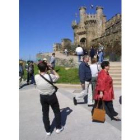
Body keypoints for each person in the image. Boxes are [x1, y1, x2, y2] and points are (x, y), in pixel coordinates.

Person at [35, 61, 63, 136]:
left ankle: (48, 130)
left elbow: (39, 71)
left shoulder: (36, 77)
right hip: (51, 96)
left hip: (42, 97)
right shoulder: (50, 76)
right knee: (56, 111)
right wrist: (52, 69)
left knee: (45, 113)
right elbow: (58, 76)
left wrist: (42, 67)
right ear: (46, 68)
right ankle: (58, 128)